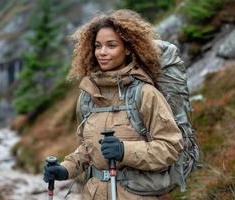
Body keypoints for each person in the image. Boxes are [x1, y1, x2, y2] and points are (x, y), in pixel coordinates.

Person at [43, 9, 183, 200]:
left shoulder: (145, 94)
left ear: (127, 48)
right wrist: (65, 169)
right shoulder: (89, 95)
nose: (102, 52)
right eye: (98, 46)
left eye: (111, 45)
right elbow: (88, 147)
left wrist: (125, 151)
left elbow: (171, 148)